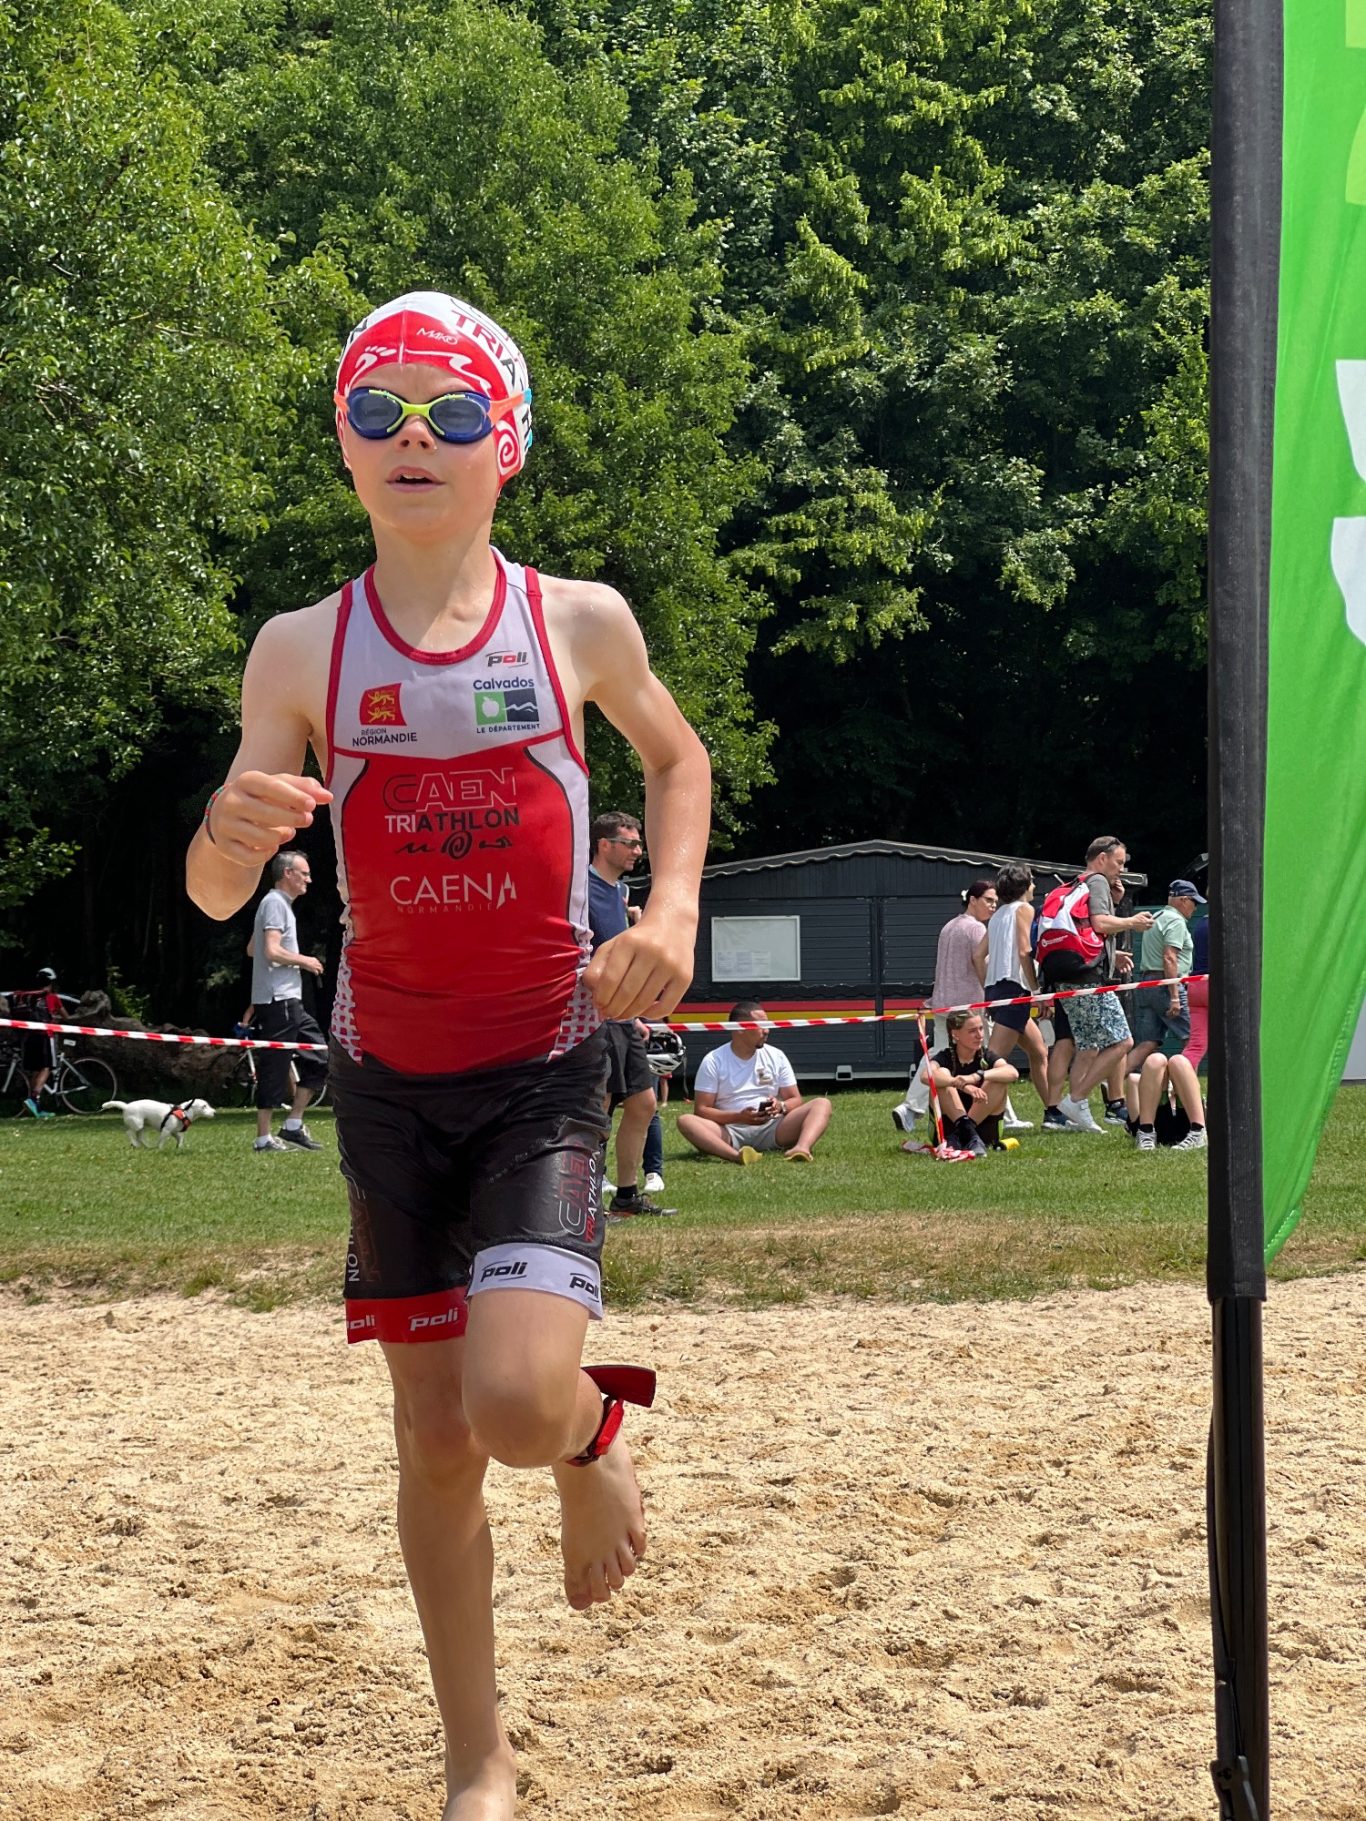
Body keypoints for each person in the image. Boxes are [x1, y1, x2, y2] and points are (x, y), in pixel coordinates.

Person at [185, 290, 711, 1821]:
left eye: (454, 412)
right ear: (345, 446)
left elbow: (675, 758)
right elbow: (217, 890)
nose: (414, 437)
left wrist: (671, 913)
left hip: (541, 1062)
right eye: (381, 410)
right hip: (387, 1082)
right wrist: (222, 837)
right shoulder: (300, 649)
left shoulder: (575, 622)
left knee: (514, 1403)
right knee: (432, 1438)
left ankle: (593, 1428)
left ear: (507, 450)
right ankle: (476, 1756)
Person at [586, 811, 671, 1216]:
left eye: (639, 843)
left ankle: (626, 1196)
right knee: (597, 1107)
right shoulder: (579, 890)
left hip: (622, 1017)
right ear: (605, 845)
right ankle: (585, 1201)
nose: (638, 851)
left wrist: (635, 1014)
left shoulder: (620, 892)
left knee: (644, 1103)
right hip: (592, 1017)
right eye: (630, 843)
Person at [1038, 837, 1153, 1133]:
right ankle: (1076, 1100)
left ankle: (1077, 1112)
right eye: (1119, 862)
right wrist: (1132, 922)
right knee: (1123, 1042)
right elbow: (1100, 923)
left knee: (1088, 1045)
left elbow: (1089, 929)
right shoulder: (1098, 880)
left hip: (1065, 974)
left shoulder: (1077, 883)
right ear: (1102, 858)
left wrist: (1111, 954)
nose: (1121, 869)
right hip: (1086, 979)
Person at [892, 877, 996, 1134]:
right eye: (988, 901)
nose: (993, 906)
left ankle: (909, 1107)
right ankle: (997, 1111)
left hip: (942, 1003)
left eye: (995, 902)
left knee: (938, 1056)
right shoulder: (977, 929)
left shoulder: (949, 926)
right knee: (985, 1056)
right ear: (972, 900)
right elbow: (981, 963)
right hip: (967, 1006)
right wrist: (990, 993)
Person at [677, 1002, 832, 1163]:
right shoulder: (713, 1060)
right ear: (739, 1028)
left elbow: (796, 1099)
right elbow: (702, 1110)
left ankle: (801, 1148)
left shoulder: (776, 1056)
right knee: (685, 1121)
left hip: (774, 1128)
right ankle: (736, 1156)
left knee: (822, 1104)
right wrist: (739, 1117)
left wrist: (781, 1106)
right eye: (761, 1025)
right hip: (729, 1130)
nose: (767, 1030)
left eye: (767, 1024)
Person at [247, 851, 330, 1150]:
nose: (309, 879)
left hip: (286, 999)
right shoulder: (275, 904)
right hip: (279, 999)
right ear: (287, 874)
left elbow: (253, 948)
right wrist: (305, 960)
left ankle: (293, 1125)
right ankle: (263, 1138)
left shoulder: (278, 905)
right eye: (304, 873)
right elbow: (270, 951)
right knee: (276, 1065)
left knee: (319, 1057)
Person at [982, 865, 1050, 1114]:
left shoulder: (997, 916)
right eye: (1032, 881)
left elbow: (978, 955)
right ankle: (967, 1116)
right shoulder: (1024, 909)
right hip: (1015, 991)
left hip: (996, 989)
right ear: (1023, 886)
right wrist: (1037, 991)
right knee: (992, 1062)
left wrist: (987, 986)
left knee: (1039, 1052)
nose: (1034, 886)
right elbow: (1024, 952)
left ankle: (1053, 1110)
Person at [1128, 878, 1205, 1074]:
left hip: (1148, 983)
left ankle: (1113, 1083)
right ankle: (1183, 1088)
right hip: (1167, 985)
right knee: (1193, 1040)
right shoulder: (1176, 921)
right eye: (1194, 902)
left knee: (1148, 1042)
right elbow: (1170, 957)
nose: (1195, 908)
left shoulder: (1157, 917)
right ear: (1183, 900)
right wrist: (1175, 996)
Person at [927, 1009, 1020, 1158]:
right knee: (942, 1076)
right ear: (955, 1034)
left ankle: (965, 1132)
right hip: (947, 1132)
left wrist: (976, 1076)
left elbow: (1012, 1073)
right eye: (972, 1031)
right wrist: (959, 1084)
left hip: (983, 1133)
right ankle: (967, 1132)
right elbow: (926, 1076)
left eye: (981, 1029)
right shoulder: (945, 1057)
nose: (979, 1035)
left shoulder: (986, 1055)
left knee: (997, 1079)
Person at [9, 967, 73, 1119]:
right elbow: (67, 1017)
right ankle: (33, 1099)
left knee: (35, 1071)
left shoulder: (27, 997)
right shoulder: (52, 997)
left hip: (29, 1037)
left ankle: (33, 1107)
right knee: (46, 1068)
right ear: (51, 982)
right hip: (45, 1036)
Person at [1124, 1050, 1208, 1152]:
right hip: (1155, 1127)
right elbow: (1132, 1079)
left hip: (1190, 1123)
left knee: (1178, 1061)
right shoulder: (1141, 1113)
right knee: (1155, 1060)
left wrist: (1173, 1084)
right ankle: (1146, 1132)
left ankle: (1198, 1131)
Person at [1183, 908, 1211, 1073]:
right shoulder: (1223, 925)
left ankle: (1180, 1081)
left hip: (1196, 985)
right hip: (1214, 986)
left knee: (1196, 1045)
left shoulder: (1201, 923)